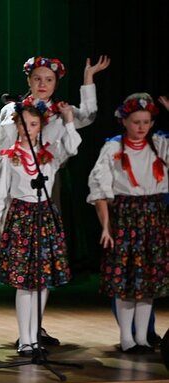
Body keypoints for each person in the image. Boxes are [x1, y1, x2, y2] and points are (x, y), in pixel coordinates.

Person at [0, 55, 110, 347]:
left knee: (44, 267)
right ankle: (26, 334)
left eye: (49, 79)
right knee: (24, 268)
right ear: (28, 80)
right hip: (15, 188)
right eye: (37, 78)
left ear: (56, 82)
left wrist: (88, 79)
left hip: (48, 186)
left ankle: (36, 329)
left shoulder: (60, 112)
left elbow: (87, 117)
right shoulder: (12, 111)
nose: (43, 84)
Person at [0, 98, 80, 356]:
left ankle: (35, 337)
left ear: (40, 126)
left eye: (33, 124)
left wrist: (69, 121)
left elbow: (72, 147)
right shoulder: (9, 158)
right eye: (23, 123)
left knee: (43, 281)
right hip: (21, 219)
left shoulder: (49, 155)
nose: (28, 129)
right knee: (24, 282)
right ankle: (25, 340)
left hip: (44, 217)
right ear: (17, 125)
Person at [86, 93, 169, 354]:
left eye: (146, 122)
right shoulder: (113, 148)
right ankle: (126, 338)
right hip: (125, 215)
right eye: (136, 122)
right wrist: (106, 227)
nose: (141, 127)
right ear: (124, 121)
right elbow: (100, 189)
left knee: (147, 282)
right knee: (125, 282)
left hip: (153, 215)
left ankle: (143, 338)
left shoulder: (160, 144)